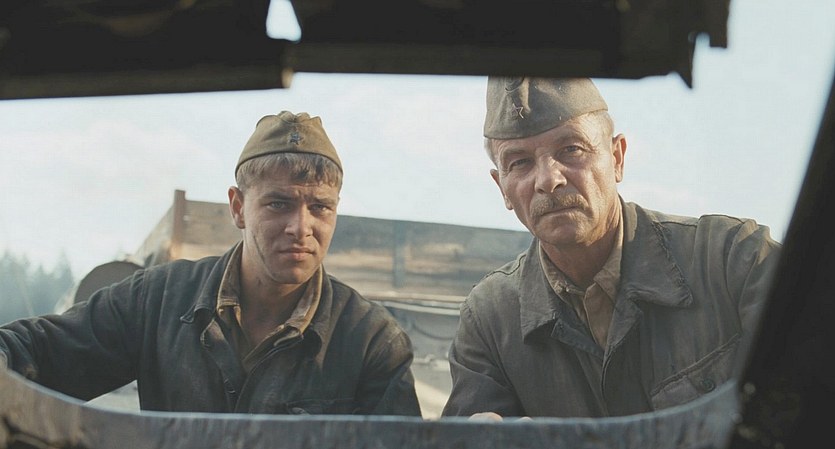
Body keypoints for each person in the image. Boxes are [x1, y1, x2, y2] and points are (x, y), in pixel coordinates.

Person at [0, 111, 422, 416]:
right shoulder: (159, 300)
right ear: (238, 208)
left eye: (320, 207)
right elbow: (35, 352)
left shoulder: (370, 340)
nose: (301, 227)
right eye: (278, 204)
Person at [441, 77, 782, 419]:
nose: (548, 180)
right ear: (502, 187)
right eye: (520, 162)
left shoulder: (732, 260)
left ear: (617, 158)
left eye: (571, 149)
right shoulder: (490, 320)